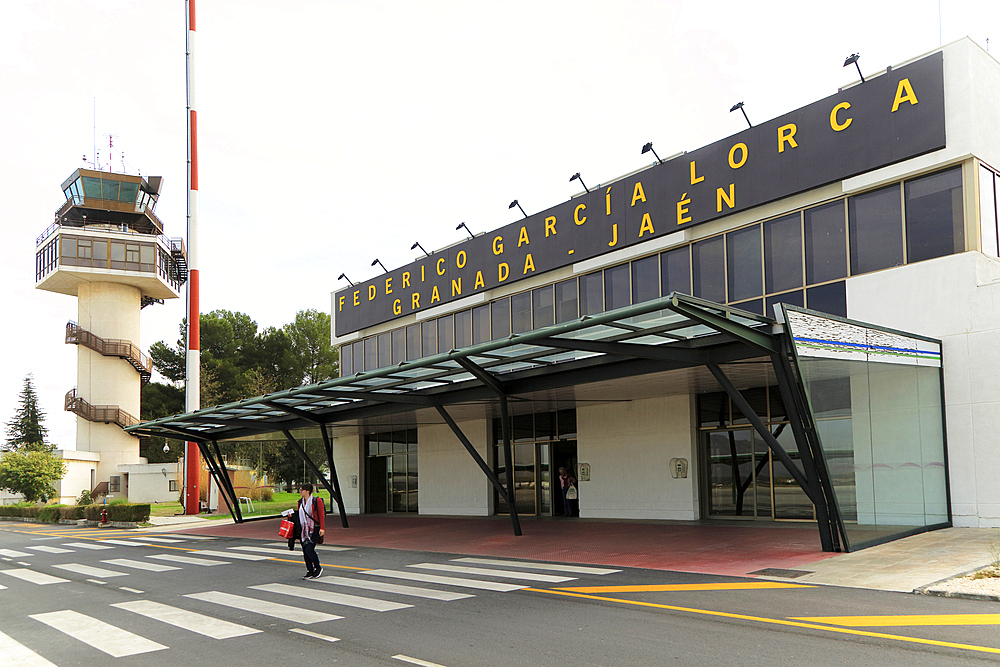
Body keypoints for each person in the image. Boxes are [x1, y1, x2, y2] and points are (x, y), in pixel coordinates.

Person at [294, 483, 325, 579]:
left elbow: (321, 514)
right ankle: (309, 570)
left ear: (307, 491)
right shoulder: (300, 502)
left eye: (302, 490)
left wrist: (322, 528)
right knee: (305, 550)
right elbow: (299, 515)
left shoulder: (316, 501)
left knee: (309, 549)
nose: (300, 492)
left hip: (314, 528)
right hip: (304, 529)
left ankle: (318, 567)